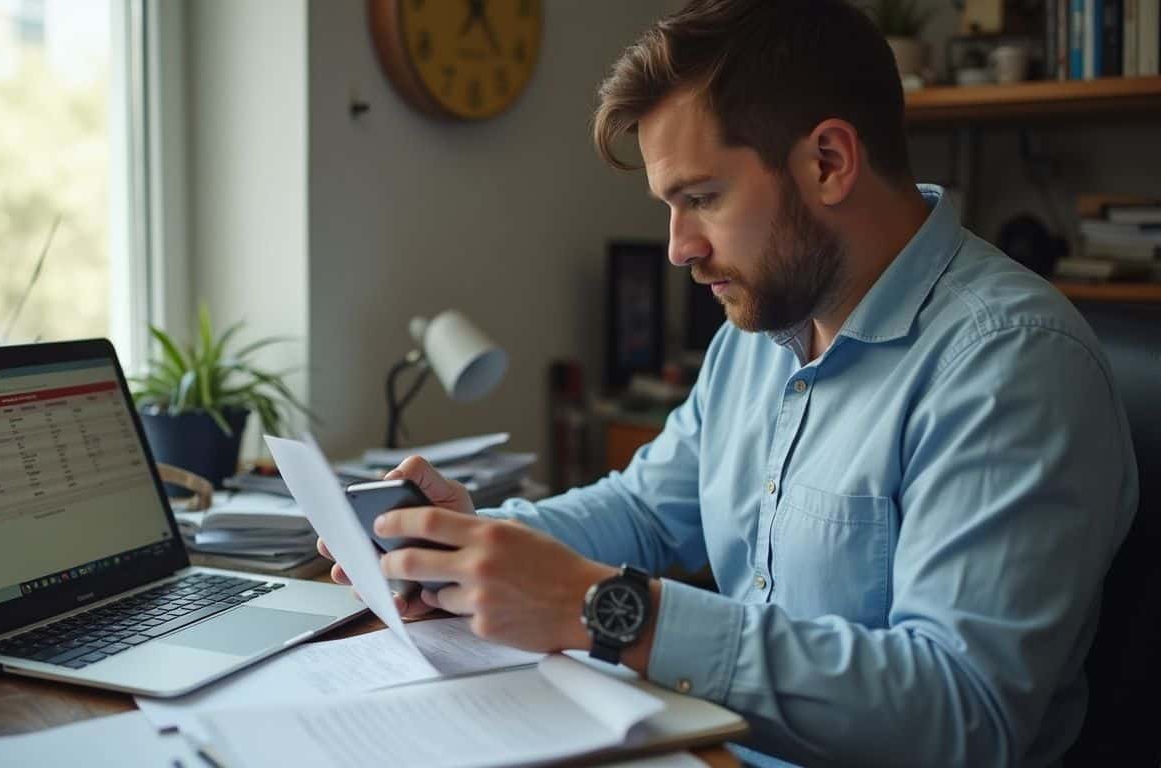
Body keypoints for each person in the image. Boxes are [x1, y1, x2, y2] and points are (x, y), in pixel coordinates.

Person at [319, 0, 1138, 764]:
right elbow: (646, 510)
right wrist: (466, 546)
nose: (679, 248)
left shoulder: (1011, 366)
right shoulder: (760, 332)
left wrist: (610, 610)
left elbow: (967, 712)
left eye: (701, 198)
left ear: (828, 162)